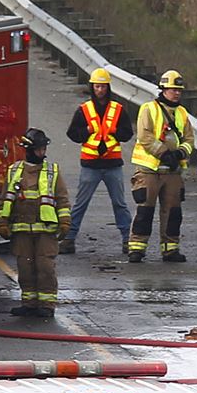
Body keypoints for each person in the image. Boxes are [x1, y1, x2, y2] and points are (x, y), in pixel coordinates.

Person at [0, 128, 71, 318]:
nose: (42, 153)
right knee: (25, 268)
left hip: (45, 230)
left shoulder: (52, 171)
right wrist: (2, 223)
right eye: (39, 149)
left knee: (45, 267)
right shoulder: (14, 171)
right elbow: (4, 199)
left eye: (44, 149)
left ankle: (46, 305)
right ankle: (29, 303)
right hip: (21, 230)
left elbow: (62, 199)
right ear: (28, 150)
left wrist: (64, 222)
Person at [62, 67, 134, 255]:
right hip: (90, 164)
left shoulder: (118, 110)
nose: (100, 90)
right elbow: (72, 134)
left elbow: (127, 133)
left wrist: (115, 132)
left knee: (119, 203)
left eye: (103, 86)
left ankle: (128, 239)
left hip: (112, 164)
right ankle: (69, 239)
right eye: (97, 86)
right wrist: (85, 132)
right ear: (92, 87)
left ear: (107, 88)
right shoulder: (84, 110)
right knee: (80, 203)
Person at [128, 70, 195, 263]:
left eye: (179, 90)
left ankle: (170, 249)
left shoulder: (182, 113)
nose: (176, 93)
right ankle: (137, 248)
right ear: (163, 89)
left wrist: (181, 152)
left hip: (172, 172)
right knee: (145, 210)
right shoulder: (149, 109)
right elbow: (145, 136)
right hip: (150, 170)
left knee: (173, 212)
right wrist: (164, 153)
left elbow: (189, 138)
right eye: (173, 90)